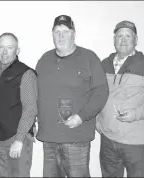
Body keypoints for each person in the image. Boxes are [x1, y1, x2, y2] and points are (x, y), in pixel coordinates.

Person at [35, 15, 109, 177]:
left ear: (73, 33)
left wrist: (82, 116)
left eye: (65, 31)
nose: (61, 36)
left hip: (76, 138)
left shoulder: (89, 58)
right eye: (57, 32)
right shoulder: (44, 60)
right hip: (49, 138)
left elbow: (101, 92)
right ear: (52, 34)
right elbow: (35, 94)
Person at [96, 20, 144, 177]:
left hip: (137, 142)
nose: (123, 40)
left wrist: (135, 114)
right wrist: (97, 121)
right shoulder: (103, 64)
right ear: (114, 40)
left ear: (136, 40)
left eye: (128, 36)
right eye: (119, 36)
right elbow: (95, 95)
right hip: (108, 139)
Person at [0, 32, 37, 177]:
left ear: (17, 51)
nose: (4, 52)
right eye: (1, 47)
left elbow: (30, 109)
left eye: (9, 47)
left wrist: (19, 140)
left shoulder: (26, 73)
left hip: (17, 139)